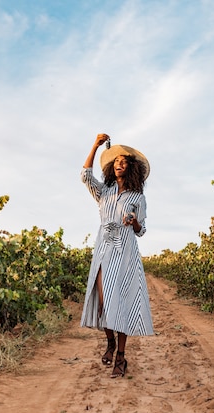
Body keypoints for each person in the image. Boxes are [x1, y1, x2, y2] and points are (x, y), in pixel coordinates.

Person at [80, 133, 154, 378]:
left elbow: (141, 230)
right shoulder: (104, 192)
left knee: (121, 302)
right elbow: (85, 176)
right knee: (104, 301)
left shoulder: (137, 198)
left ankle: (121, 357)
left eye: (124, 161)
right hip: (104, 247)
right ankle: (110, 341)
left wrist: (133, 222)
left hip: (126, 250)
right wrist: (95, 145)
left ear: (130, 167)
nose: (119, 164)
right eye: (116, 161)